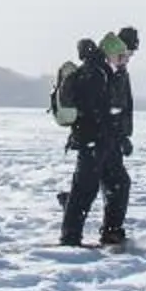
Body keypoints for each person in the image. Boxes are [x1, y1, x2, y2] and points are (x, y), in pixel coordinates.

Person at [58, 32, 133, 246]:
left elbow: (111, 111)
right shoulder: (94, 73)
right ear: (110, 55)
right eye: (121, 56)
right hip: (92, 142)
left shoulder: (106, 72)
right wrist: (110, 134)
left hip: (106, 143)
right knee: (85, 190)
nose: (125, 61)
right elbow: (97, 111)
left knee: (119, 184)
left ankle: (112, 231)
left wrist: (120, 137)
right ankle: (70, 237)